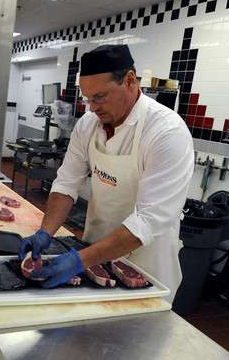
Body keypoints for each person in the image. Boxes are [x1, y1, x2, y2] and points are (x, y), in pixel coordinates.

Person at [18, 44, 193, 301]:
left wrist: (79, 260)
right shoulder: (88, 125)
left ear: (130, 80)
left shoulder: (166, 131)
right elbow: (67, 182)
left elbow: (148, 220)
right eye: (87, 99)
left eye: (99, 97)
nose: (92, 108)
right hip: (94, 255)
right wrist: (46, 231)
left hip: (146, 265)